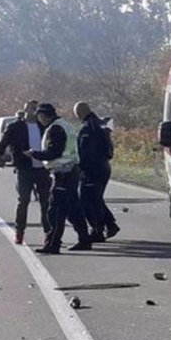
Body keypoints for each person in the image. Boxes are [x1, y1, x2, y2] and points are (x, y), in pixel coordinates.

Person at [25, 103, 92, 254]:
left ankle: (53, 244)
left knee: (55, 211)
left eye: (40, 117)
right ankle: (84, 239)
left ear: (44, 115)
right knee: (73, 209)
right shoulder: (65, 124)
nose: (39, 120)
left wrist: (34, 154)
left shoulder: (55, 128)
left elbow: (54, 152)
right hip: (71, 170)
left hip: (63, 173)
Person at [0, 100, 51, 245]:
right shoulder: (15, 127)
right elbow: (3, 143)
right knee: (23, 201)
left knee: (46, 202)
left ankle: (49, 233)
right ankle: (19, 233)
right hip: (24, 169)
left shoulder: (44, 126)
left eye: (35, 109)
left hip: (43, 169)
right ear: (24, 110)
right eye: (30, 109)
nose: (33, 112)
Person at [74, 101, 119, 242]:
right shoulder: (100, 124)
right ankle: (107, 226)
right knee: (95, 198)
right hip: (103, 166)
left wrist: (80, 166)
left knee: (86, 200)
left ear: (80, 113)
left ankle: (99, 229)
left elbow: (86, 151)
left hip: (93, 168)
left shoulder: (89, 127)